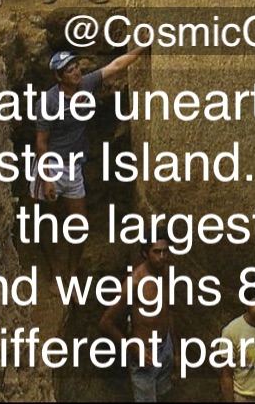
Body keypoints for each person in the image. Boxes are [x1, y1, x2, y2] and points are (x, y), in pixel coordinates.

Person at [34, 45, 145, 282]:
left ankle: (72, 271)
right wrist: (47, 179)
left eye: (76, 67)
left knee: (79, 226)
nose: (76, 73)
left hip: (73, 166)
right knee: (49, 221)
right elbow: (41, 143)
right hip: (51, 165)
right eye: (70, 71)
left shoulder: (86, 84)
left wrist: (143, 46)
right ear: (58, 77)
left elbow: (115, 66)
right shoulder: (48, 102)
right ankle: (55, 270)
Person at [100, 227, 180, 402]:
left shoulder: (167, 272)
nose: (162, 257)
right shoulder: (134, 283)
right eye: (156, 252)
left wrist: (176, 352)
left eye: (165, 251)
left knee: (163, 392)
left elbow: (168, 313)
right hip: (144, 352)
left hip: (165, 344)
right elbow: (106, 322)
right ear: (145, 254)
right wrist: (132, 347)